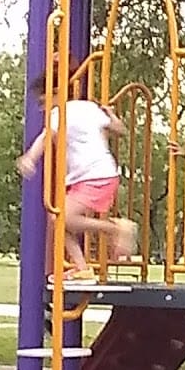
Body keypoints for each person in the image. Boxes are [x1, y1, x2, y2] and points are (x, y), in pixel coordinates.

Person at [17, 68, 137, 284]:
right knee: (58, 221)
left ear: (55, 92)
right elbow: (120, 129)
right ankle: (82, 269)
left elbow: (45, 138)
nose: (42, 107)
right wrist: (111, 115)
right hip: (98, 174)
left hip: (95, 175)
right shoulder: (88, 107)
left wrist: (30, 158)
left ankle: (117, 228)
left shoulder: (59, 113)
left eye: (43, 101)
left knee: (62, 218)